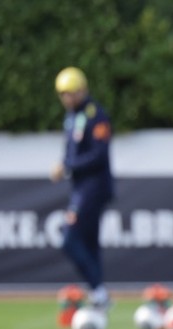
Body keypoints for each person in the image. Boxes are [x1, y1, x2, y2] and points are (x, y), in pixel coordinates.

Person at [50, 67, 115, 311]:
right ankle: (99, 296)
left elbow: (98, 155)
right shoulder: (71, 117)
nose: (68, 98)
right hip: (80, 188)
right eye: (63, 94)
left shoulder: (95, 115)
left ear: (83, 90)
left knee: (70, 239)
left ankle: (98, 291)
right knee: (89, 243)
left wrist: (66, 166)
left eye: (72, 93)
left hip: (93, 188)